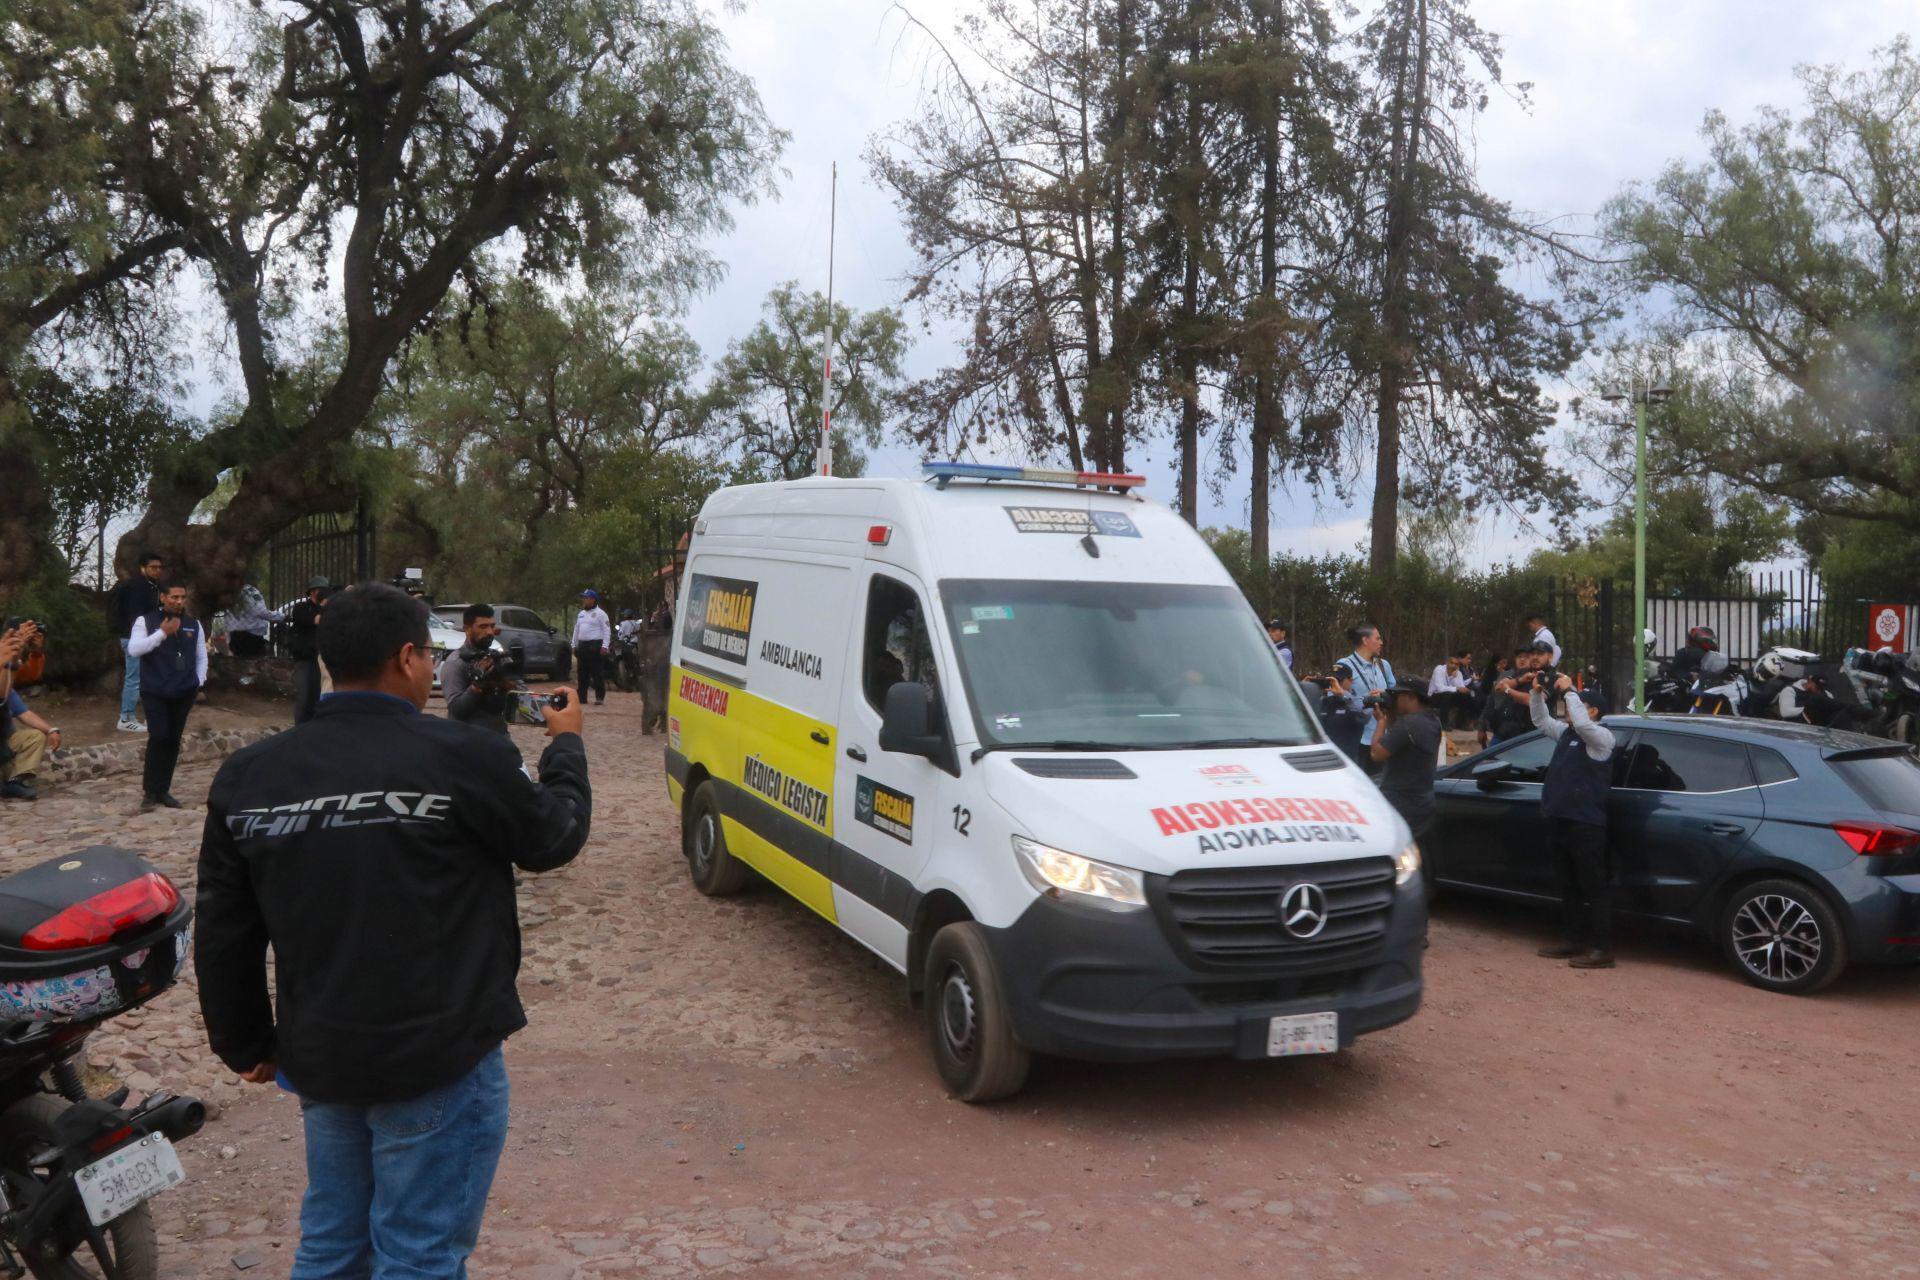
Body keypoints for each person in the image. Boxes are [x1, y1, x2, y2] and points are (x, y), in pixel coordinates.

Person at [194, 583, 590, 1277]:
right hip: (436, 1055)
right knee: (418, 1252)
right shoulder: (464, 756)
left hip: (322, 1054)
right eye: (428, 654)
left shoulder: (250, 776)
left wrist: (243, 1041)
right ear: (407, 657)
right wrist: (566, 749)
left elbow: (226, 926)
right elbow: (552, 837)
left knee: (333, 1244)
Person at [1531, 673, 1618, 970]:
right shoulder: (1567, 733)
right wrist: (1536, 694)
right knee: (1567, 884)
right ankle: (1572, 939)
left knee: (1593, 886)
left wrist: (1569, 691)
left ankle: (1601, 948)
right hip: (1560, 819)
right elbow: (1541, 722)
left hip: (1585, 823)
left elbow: (1581, 724)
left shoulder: (1601, 737)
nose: (1571, 708)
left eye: (1580, 704)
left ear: (1592, 710)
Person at [127, 580, 207, 811]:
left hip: (184, 690)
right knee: (159, 736)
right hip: (155, 689)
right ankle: (150, 790)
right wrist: (161, 633)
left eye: (182, 597)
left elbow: (201, 656)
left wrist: (198, 681)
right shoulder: (146, 621)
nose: (179, 601)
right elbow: (134, 649)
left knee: (173, 740)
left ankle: (164, 789)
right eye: (174, 597)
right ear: (163, 597)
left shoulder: (194, 624)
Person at [1370, 681, 1442, 840]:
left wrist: (1381, 721)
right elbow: (1398, 741)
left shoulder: (1408, 724)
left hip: (1402, 804)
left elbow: (1377, 753)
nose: (1395, 700)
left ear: (1410, 697)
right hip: (1423, 801)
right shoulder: (1433, 721)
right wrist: (1391, 716)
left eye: (1397, 695)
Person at [107, 551, 166, 732]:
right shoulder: (139, 586)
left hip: (139, 638)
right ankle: (125, 718)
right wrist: (142, 639)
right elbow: (136, 617)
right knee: (134, 678)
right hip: (134, 638)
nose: (157, 571)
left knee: (142, 677)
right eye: (153, 567)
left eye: (159, 568)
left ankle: (138, 716)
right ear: (142, 568)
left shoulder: (150, 586)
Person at [1, 622, 59, 802]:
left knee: (35, 736)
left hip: (3, 743)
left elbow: (23, 712)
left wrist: (50, 729)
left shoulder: (7, 681)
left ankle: (14, 782)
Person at [441, 603, 513, 736]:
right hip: (466, 742)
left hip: (498, 739)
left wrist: (506, 682)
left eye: (492, 626)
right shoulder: (456, 662)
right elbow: (456, 711)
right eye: (483, 627)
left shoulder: (498, 659)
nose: (490, 632)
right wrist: (476, 686)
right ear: (467, 629)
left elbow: (517, 702)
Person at [1340, 625, 1396, 756]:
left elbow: (1395, 694)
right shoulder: (1344, 665)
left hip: (1383, 738)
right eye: (1378, 638)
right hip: (1356, 739)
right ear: (1365, 641)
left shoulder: (1383, 665)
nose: (1381, 643)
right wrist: (1365, 700)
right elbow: (1335, 697)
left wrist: (1384, 694)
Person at [288, 578, 330, 725]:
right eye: (321, 590)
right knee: (305, 697)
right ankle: (300, 729)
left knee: (321, 698)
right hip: (305, 659)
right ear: (312, 591)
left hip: (323, 660)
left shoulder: (329, 608)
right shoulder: (301, 608)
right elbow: (316, 620)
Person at [1318, 665, 1366, 765]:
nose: (1334, 684)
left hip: (1346, 762)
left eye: (1338, 681)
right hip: (1323, 759)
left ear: (1350, 681)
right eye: (1332, 680)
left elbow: (1363, 713)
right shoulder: (1322, 701)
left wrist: (1342, 695)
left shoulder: (1357, 701)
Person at [571, 588, 611, 707]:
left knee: (597, 673)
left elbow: (606, 630)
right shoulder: (581, 614)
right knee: (582, 673)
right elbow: (576, 630)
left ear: (593, 600)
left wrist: (605, 645)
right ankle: (582, 697)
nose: (583, 600)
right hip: (582, 647)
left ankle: (599, 697)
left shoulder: (601, 614)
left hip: (595, 646)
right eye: (583, 597)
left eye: (586, 598)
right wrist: (573, 644)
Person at [226, 583, 284, 658]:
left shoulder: (230, 591)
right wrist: (281, 616)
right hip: (251, 636)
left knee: (239, 663)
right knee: (253, 662)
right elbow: (260, 611)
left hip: (234, 635)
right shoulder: (250, 591)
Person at [1427, 649, 1474, 729]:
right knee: (1447, 695)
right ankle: (1444, 723)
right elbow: (1440, 688)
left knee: (1466, 696)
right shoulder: (1439, 669)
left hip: (1449, 697)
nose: (1454, 665)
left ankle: (1460, 724)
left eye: (1456, 664)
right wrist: (1457, 688)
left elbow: (1460, 687)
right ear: (1447, 663)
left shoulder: (1458, 673)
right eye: (1451, 663)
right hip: (1434, 696)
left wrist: (1454, 678)